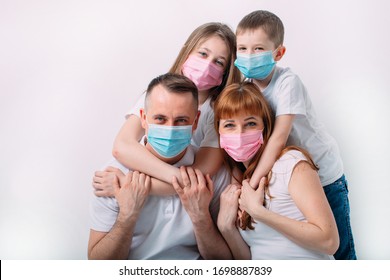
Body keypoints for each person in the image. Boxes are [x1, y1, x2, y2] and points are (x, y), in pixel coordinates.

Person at [233, 10, 356, 259]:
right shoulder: (247, 86)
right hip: (293, 177)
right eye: (242, 48)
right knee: (301, 240)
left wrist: (251, 184)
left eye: (258, 49)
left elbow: (279, 136)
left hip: (324, 174)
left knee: (340, 247)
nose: (248, 56)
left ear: (278, 53)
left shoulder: (288, 82)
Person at [88, 73, 231, 260]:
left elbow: (226, 263)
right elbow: (97, 264)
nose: (170, 129)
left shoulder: (213, 175)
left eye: (181, 120)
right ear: (143, 118)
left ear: (195, 121)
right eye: (160, 119)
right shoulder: (113, 177)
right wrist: (127, 215)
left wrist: (200, 216)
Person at [92, 22, 241, 196]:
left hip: (195, 198)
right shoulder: (158, 93)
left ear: (226, 72)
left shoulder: (221, 113)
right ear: (187, 52)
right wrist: (175, 176)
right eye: (202, 54)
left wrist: (126, 186)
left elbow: (199, 176)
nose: (207, 66)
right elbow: (122, 146)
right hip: (168, 183)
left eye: (218, 62)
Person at [214, 82, 339, 259]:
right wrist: (226, 228)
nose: (239, 133)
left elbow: (329, 242)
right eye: (229, 125)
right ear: (218, 130)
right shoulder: (239, 183)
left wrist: (259, 213)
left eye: (250, 123)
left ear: (265, 126)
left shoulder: (290, 163)